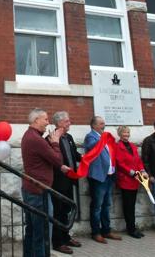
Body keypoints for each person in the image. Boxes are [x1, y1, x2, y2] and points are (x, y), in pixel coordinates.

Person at [21, 108, 69, 257]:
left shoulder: (32, 136)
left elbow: (46, 159)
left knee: (32, 230)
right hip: (38, 192)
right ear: (36, 121)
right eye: (46, 120)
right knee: (41, 232)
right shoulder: (35, 139)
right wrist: (55, 142)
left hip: (32, 189)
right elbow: (56, 159)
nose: (48, 123)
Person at [83, 115, 122, 244]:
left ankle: (106, 230)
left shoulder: (103, 137)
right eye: (101, 124)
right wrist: (105, 139)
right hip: (98, 177)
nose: (103, 126)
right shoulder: (91, 136)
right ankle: (96, 232)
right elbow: (92, 146)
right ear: (94, 125)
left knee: (106, 205)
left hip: (109, 176)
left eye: (104, 124)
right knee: (97, 206)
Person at [50, 111, 82, 253]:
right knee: (58, 212)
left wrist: (86, 158)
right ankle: (57, 242)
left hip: (70, 181)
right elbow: (51, 159)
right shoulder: (51, 138)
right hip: (58, 183)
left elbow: (74, 155)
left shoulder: (69, 137)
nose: (70, 123)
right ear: (59, 123)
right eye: (67, 121)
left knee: (67, 210)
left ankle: (66, 237)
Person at [114, 125, 147, 238]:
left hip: (135, 180)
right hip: (126, 180)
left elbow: (138, 160)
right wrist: (131, 172)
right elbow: (120, 163)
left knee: (132, 205)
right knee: (128, 206)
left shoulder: (132, 146)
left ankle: (132, 227)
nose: (126, 135)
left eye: (128, 132)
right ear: (120, 134)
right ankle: (131, 229)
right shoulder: (117, 146)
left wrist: (142, 170)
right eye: (124, 133)